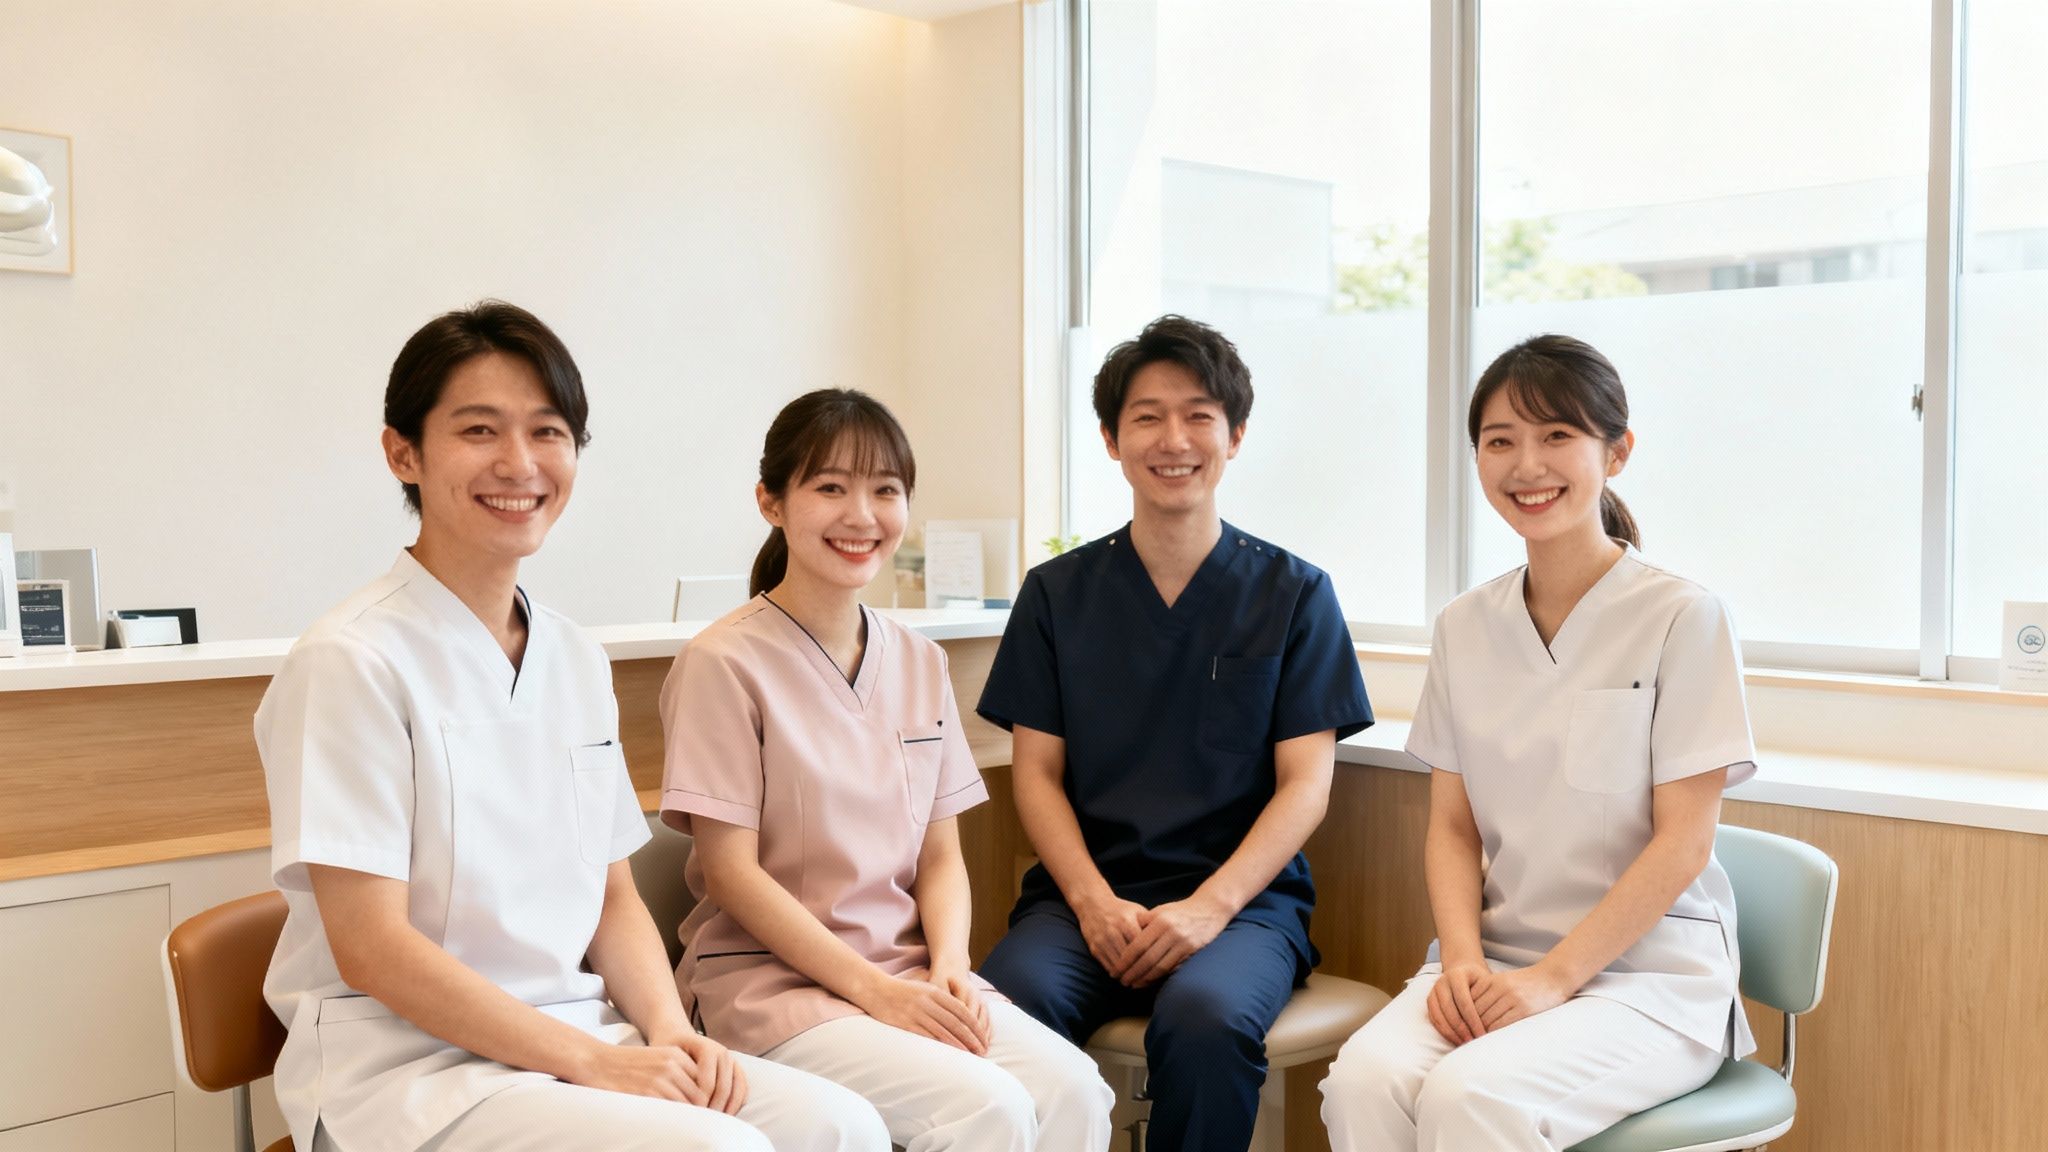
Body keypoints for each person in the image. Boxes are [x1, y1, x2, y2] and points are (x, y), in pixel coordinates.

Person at [258, 301, 876, 1152]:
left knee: (840, 1124)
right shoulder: (350, 661)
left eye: (548, 433)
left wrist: (668, 1030)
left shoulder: (573, 657)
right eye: (479, 430)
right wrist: (591, 1061)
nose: (519, 463)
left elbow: (612, 894)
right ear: (403, 451)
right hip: (408, 1073)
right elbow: (372, 951)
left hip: (577, 1041)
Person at [1317, 334, 1758, 1151]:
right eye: (1500, 441)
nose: (1528, 465)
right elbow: (1453, 827)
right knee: (1362, 1083)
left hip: (1648, 981)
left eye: (1557, 435)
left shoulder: (1682, 617)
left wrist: (1554, 981)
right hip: (1493, 961)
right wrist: (1458, 962)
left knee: (1470, 1098)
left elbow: (1685, 843)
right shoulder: (1464, 626)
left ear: (1616, 452)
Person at [659, 388, 1114, 1152]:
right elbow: (732, 875)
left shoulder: (918, 660)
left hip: (907, 973)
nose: (862, 516)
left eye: (885, 490)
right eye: (830, 487)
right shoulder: (722, 663)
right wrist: (875, 993)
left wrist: (948, 970)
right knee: (988, 1109)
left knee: (1075, 1090)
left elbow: (940, 856)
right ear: (772, 501)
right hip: (771, 987)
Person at [974, 315, 1374, 1150]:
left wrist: (1207, 909)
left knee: (1206, 1018)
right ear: (1111, 440)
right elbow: (1036, 776)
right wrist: (1091, 903)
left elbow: (1308, 784)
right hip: (1083, 899)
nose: (1174, 439)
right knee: (1004, 1009)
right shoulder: (1057, 596)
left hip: (1243, 909)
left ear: (1236, 435)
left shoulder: (1294, 594)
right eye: (1147, 416)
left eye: (1198, 415)